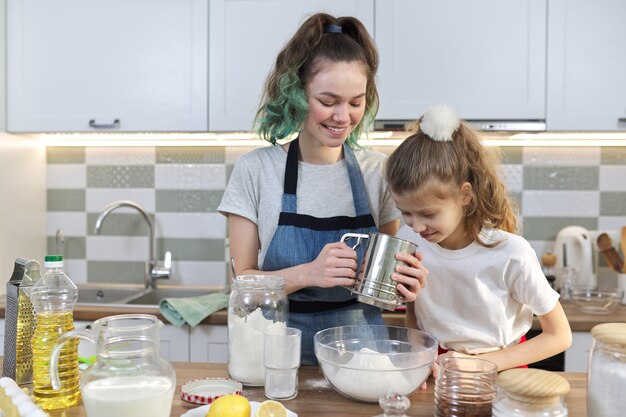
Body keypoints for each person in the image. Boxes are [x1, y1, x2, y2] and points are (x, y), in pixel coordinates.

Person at [218, 13, 428, 364]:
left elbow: (383, 286)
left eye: (356, 102)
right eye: (328, 102)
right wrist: (309, 274)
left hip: (361, 352)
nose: (343, 116)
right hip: (273, 349)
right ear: (297, 95)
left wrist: (406, 286)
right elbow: (242, 286)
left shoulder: (378, 171)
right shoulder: (255, 170)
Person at [385, 104, 572, 371]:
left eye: (427, 213)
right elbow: (416, 314)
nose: (416, 226)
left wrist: (479, 364)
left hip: (502, 368)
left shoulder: (511, 253)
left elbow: (559, 336)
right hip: (437, 367)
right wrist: (420, 356)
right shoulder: (409, 241)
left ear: (464, 195)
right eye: (406, 212)